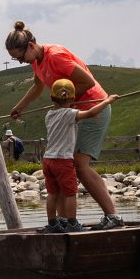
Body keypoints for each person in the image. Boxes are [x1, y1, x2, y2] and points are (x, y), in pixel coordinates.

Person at [5, 20, 124, 230]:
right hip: (72, 112)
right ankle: (62, 222)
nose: (21, 62)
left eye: (20, 57)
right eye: (16, 59)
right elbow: (38, 85)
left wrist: (64, 104)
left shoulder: (56, 56)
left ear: (31, 46)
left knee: (78, 165)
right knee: (63, 166)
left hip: (93, 108)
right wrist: (20, 106)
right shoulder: (36, 61)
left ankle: (112, 216)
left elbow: (87, 81)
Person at [38, 79, 118, 233]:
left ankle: (52, 224)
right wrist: (107, 101)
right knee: (70, 194)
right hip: (63, 161)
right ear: (73, 99)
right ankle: (72, 224)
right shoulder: (70, 114)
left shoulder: (49, 115)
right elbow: (91, 112)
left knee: (52, 193)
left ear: (51, 98)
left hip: (48, 160)